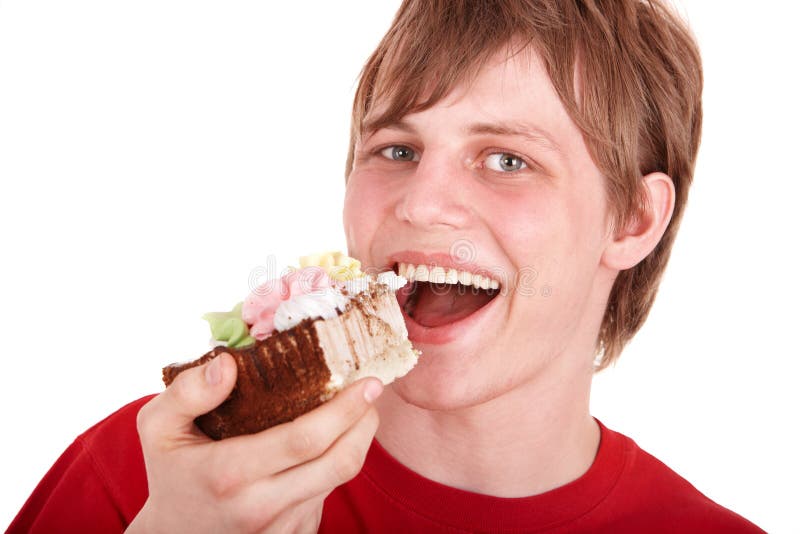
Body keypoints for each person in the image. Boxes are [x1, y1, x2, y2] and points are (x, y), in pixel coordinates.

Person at [9, 0, 764, 532]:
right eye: (396, 151)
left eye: (508, 159)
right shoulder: (159, 472)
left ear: (634, 219)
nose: (423, 202)